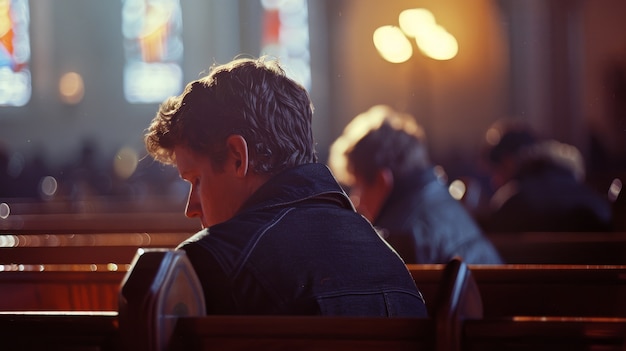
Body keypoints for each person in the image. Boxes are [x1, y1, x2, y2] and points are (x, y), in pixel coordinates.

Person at [143, 57, 427, 317]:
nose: (191, 209)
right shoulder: (390, 263)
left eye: (196, 180)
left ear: (237, 157)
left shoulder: (209, 263)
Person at [328, 105, 503, 264]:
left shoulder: (399, 236)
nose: (355, 200)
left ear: (382, 181)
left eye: (358, 186)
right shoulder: (441, 198)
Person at [479, 119, 613, 232]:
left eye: (496, 170)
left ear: (508, 162)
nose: (494, 181)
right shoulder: (590, 197)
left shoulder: (512, 201)